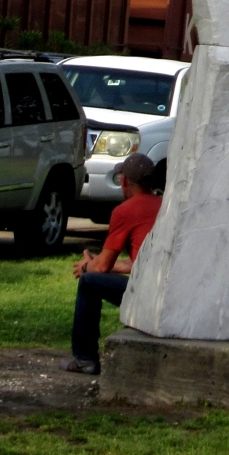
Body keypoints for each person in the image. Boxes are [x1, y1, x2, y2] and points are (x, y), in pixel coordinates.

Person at [66, 153, 162, 376]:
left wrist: (87, 267)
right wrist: (102, 263)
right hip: (165, 289)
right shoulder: (165, 205)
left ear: (124, 181)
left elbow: (102, 267)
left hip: (146, 294)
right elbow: (139, 262)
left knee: (89, 282)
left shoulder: (124, 211)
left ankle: (84, 358)